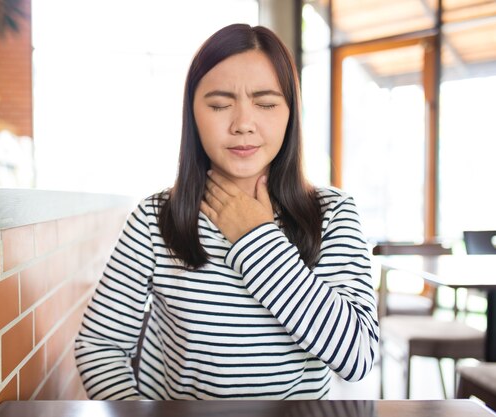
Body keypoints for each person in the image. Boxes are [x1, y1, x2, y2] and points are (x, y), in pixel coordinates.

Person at [75, 23, 379, 400]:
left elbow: (358, 356)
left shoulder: (332, 213)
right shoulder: (156, 218)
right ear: (193, 114)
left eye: (266, 104)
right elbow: (99, 346)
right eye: (219, 105)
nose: (243, 125)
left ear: (290, 114)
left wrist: (257, 239)